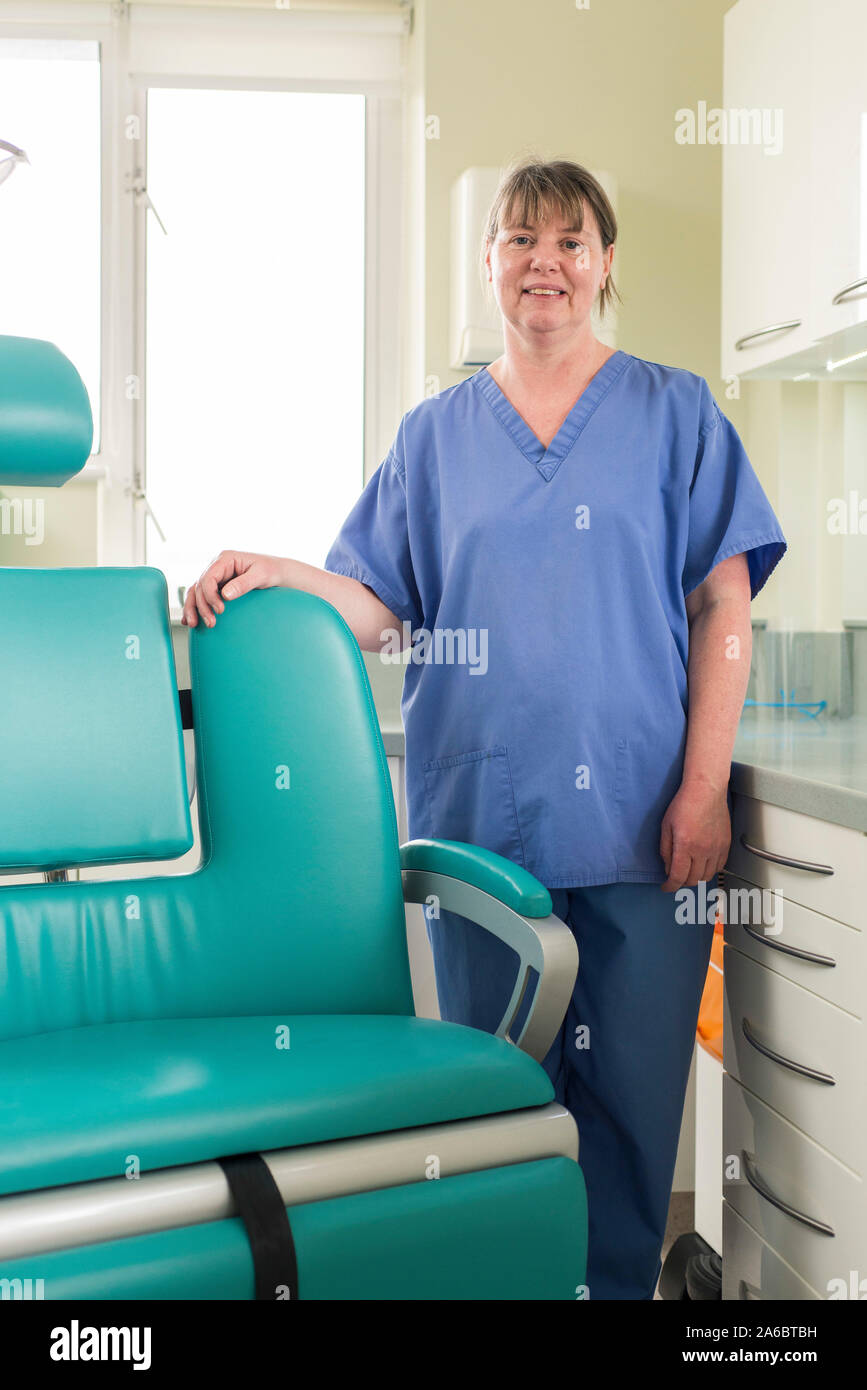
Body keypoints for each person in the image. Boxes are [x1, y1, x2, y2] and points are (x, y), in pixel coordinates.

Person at [182, 157, 787, 1300]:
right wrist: (277, 575)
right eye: (519, 239)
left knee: (628, 1116)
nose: (543, 262)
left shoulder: (675, 412)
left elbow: (725, 605)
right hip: (483, 845)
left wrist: (703, 785)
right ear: (490, 264)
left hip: (644, 828)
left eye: (568, 241)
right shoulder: (433, 436)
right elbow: (373, 603)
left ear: (606, 265)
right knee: (497, 1120)